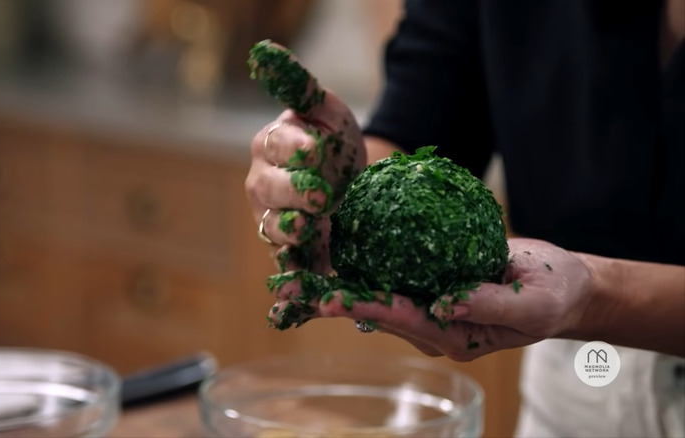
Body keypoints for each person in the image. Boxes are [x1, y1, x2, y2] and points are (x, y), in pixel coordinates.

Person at [244, 1, 685, 437]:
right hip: (571, 390)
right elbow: (417, 124)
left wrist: (597, 296)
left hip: (583, 319)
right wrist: (340, 190)